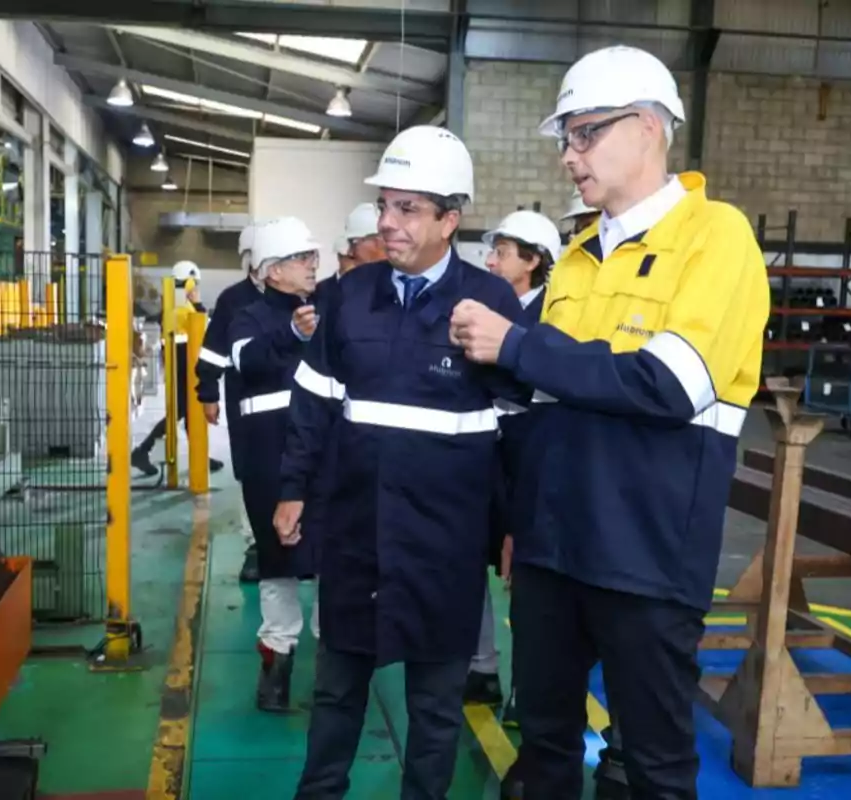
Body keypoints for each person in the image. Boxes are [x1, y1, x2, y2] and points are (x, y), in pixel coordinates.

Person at [448, 45, 769, 800]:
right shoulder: (581, 258)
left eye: (585, 133)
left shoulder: (716, 238)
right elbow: (544, 406)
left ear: (650, 127)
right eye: (566, 138)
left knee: (654, 764)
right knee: (546, 747)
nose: (569, 156)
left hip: (646, 559)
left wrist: (519, 346)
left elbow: (669, 383)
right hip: (553, 551)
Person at [275, 125, 528, 800]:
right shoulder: (349, 298)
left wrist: (513, 525)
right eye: (385, 206)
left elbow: (517, 430)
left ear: (451, 218)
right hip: (356, 532)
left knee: (436, 708)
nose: (387, 223)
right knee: (336, 694)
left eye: (407, 209)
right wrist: (293, 486)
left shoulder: (490, 305)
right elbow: (314, 401)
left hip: (445, 542)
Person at [228, 216, 322, 712]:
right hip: (269, 461)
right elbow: (247, 360)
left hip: (324, 458)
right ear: (271, 270)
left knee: (331, 555)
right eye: (301, 259)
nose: (312, 266)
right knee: (277, 563)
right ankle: (277, 665)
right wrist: (289, 331)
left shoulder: (323, 310)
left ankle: (333, 661)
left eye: (312, 258)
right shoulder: (249, 317)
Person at [471, 210, 562, 717]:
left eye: (502, 252)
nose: (490, 259)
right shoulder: (491, 306)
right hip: (489, 451)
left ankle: (526, 691)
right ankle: (481, 667)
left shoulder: (554, 314)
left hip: (534, 455)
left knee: (525, 578)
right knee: (474, 559)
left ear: (533, 261)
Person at [196, 224, 267, 583]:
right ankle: (255, 545)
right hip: (246, 404)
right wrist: (208, 391)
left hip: (295, 408)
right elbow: (213, 350)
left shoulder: (303, 295)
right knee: (251, 473)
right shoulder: (234, 299)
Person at [132, 260, 225, 479]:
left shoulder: (174, 302)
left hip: (180, 359)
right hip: (184, 360)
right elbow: (204, 327)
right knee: (184, 409)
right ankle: (142, 451)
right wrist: (200, 305)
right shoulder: (184, 307)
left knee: (188, 409)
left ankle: (199, 454)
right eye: (195, 284)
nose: (197, 288)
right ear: (189, 282)